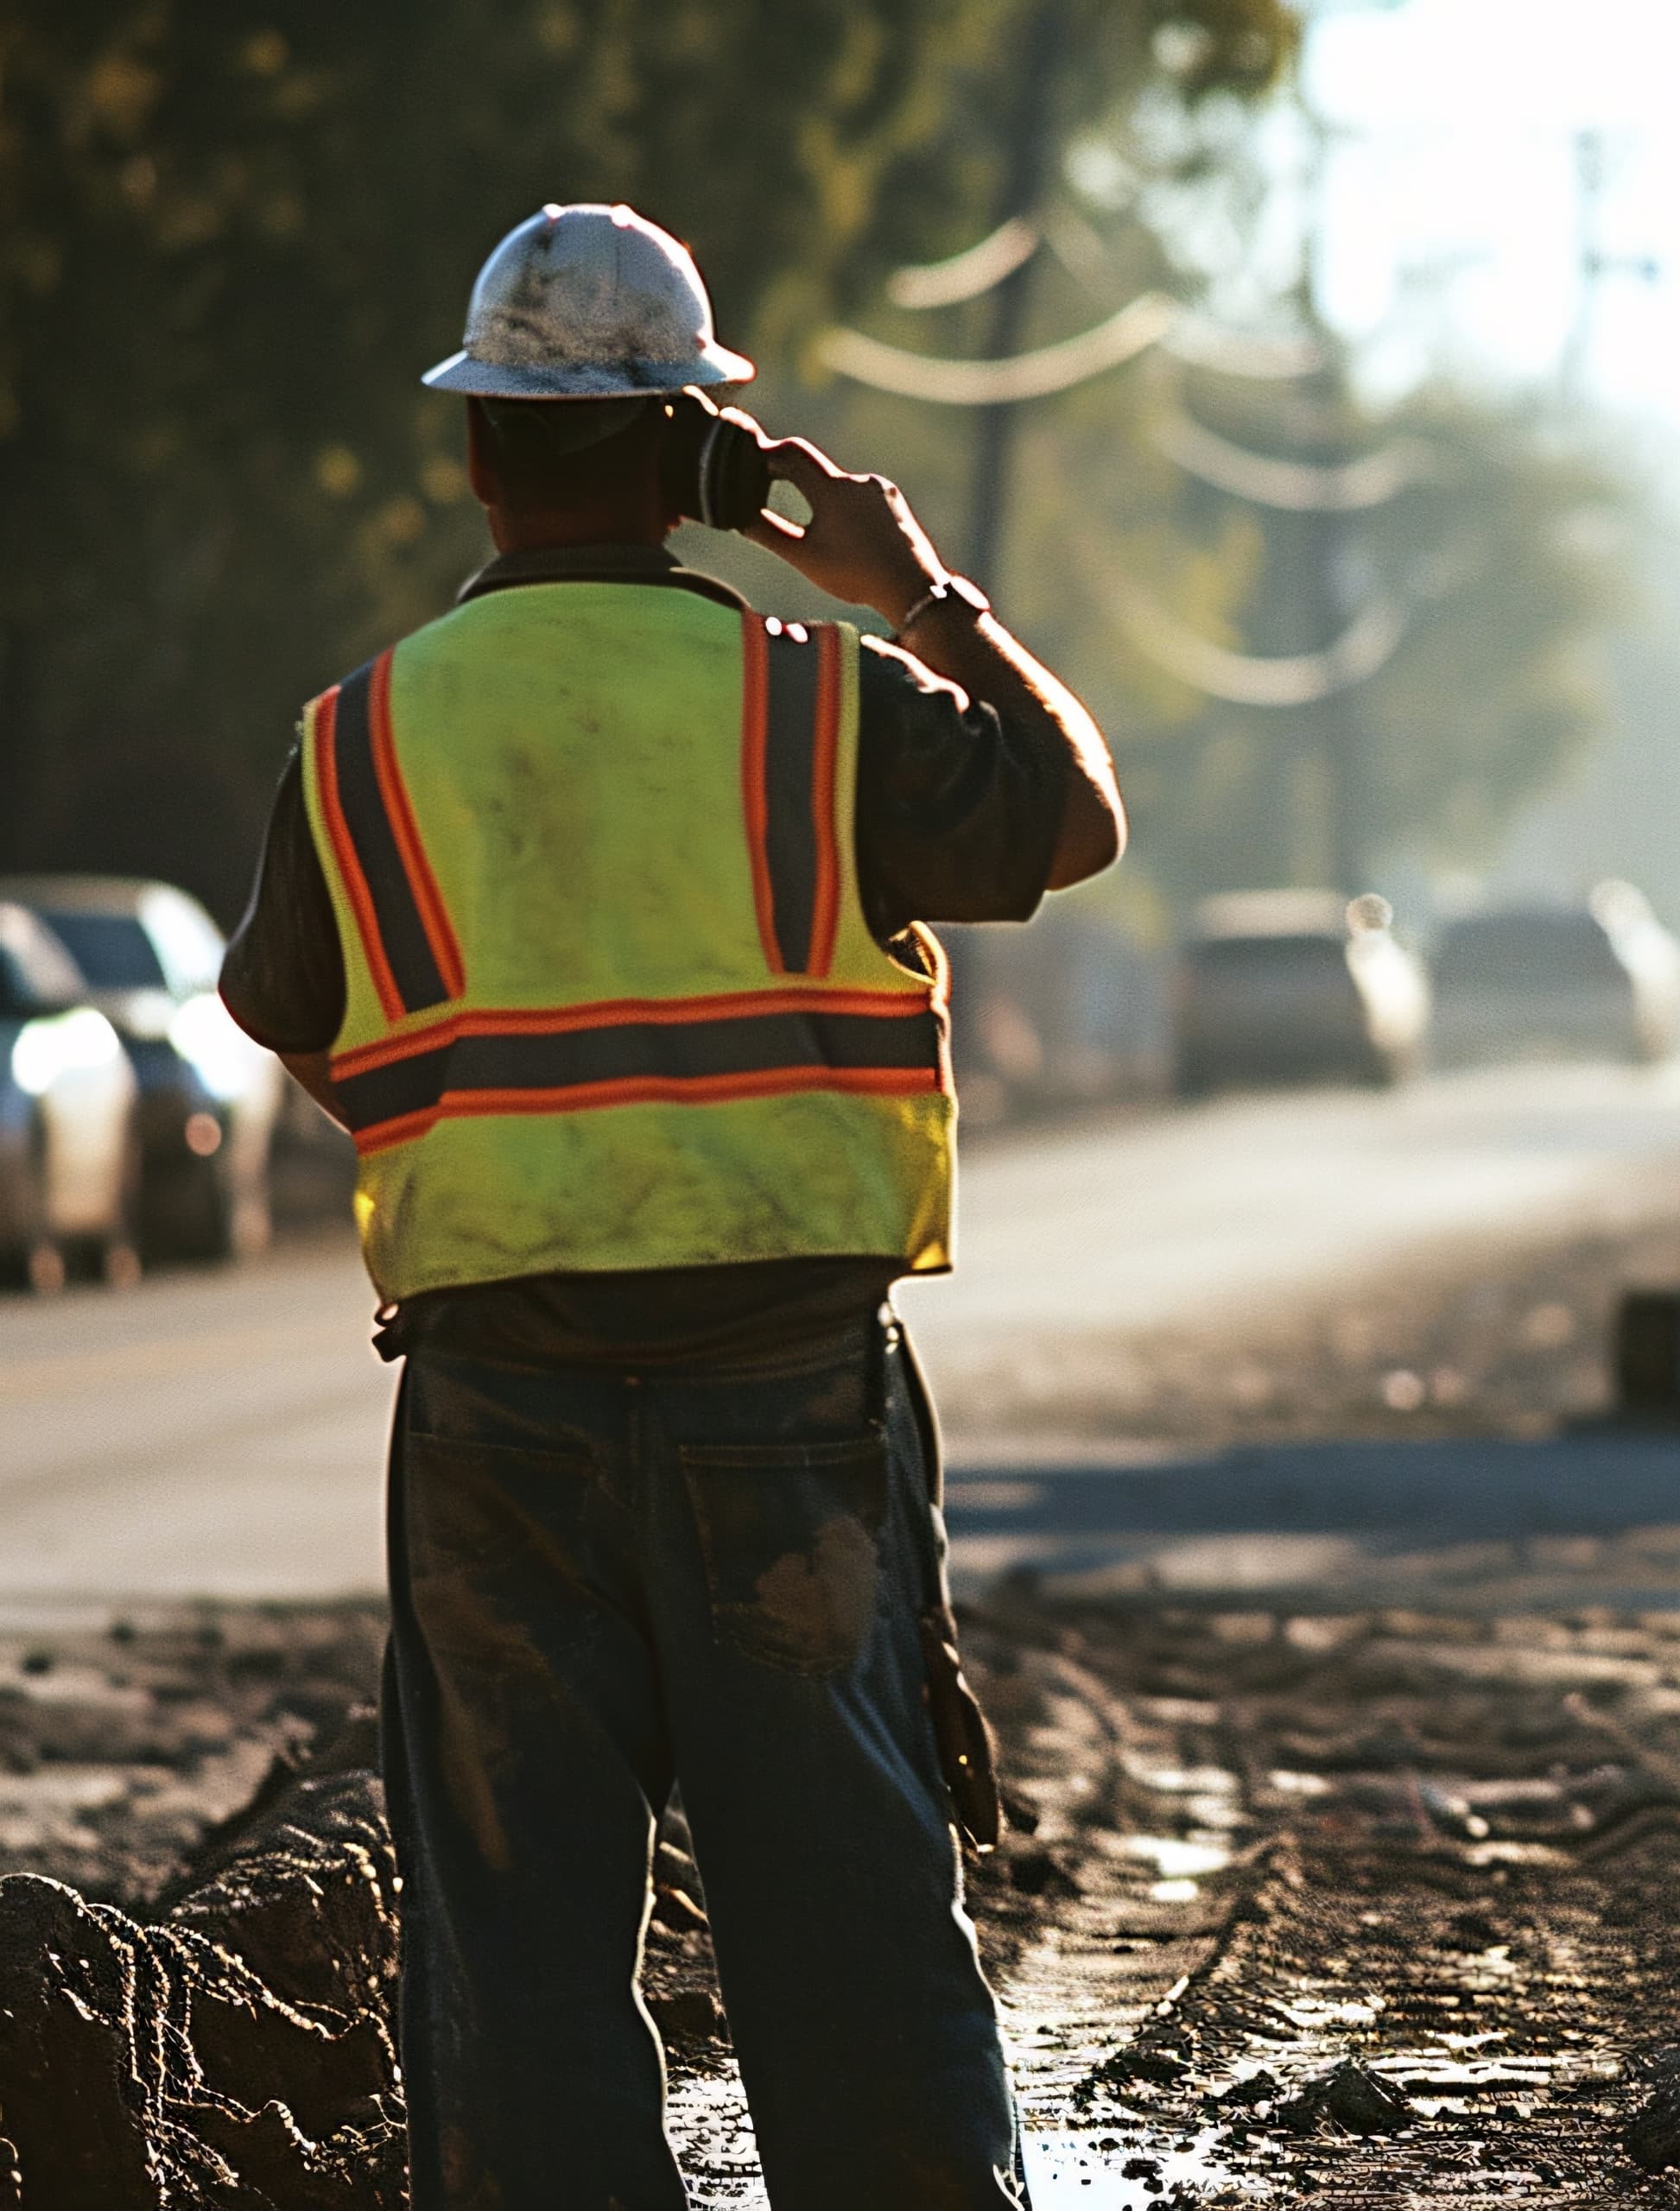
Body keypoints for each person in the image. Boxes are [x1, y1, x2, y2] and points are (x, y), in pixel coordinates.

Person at [218, 203, 1125, 2208]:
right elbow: (1070, 817)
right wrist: (916, 593)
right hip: (780, 1409)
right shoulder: (814, 698)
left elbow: (276, 998)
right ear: (694, 450)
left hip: (490, 1407)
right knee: (856, 1938)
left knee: (517, 1958)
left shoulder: (361, 733)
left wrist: (447, 1126)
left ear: (476, 449)